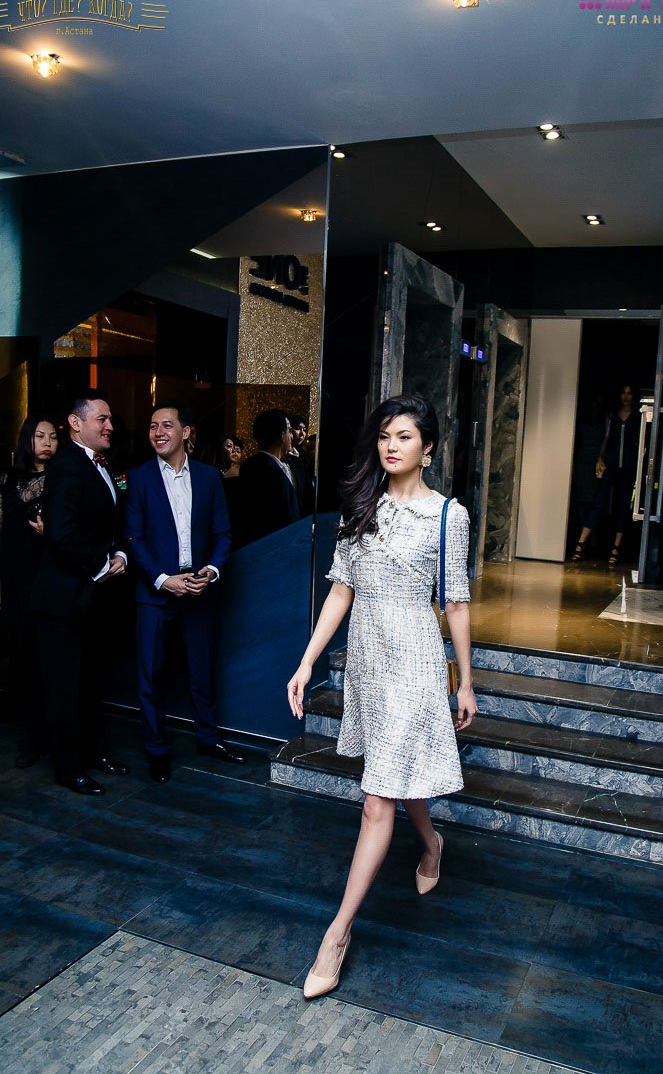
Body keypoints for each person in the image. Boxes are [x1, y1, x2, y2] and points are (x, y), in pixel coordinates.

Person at [287, 394, 477, 1000]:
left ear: (428, 447)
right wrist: (307, 661)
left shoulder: (448, 516)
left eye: (404, 437)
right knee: (394, 775)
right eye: (384, 436)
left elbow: (455, 601)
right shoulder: (361, 505)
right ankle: (431, 842)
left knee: (376, 800)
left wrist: (466, 680)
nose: (391, 446)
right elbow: (341, 590)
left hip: (416, 661)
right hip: (369, 662)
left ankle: (337, 934)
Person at [125, 403, 244, 783]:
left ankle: (208, 738)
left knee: (201, 672)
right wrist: (162, 579)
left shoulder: (209, 477)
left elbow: (223, 533)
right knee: (151, 677)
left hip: (198, 589)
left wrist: (211, 570)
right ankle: (157, 750)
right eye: (152, 426)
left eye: (166, 425)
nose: (158, 432)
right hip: (155, 592)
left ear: (186, 431)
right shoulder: (139, 478)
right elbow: (133, 538)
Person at [31, 390, 130, 795]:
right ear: (75, 423)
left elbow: (112, 522)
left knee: (92, 683)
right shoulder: (65, 466)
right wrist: (102, 565)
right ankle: (67, 767)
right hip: (64, 601)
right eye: (101, 419)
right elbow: (61, 533)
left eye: (110, 419)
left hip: (94, 601)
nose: (109, 426)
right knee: (65, 689)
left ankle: (95, 753)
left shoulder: (103, 464)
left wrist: (120, 553)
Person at [0, 416, 59, 766]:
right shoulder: (7, 479)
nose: (47, 442)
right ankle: (30, 736)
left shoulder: (61, 480)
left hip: (47, 579)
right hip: (14, 579)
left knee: (49, 659)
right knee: (21, 657)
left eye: (53, 437)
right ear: (26, 440)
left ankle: (53, 734)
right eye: (39, 436)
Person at [571, 382, 640, 567]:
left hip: (627, 464)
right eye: (623, 393)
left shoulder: (637, 416)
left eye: (629, 393)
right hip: (611, 462)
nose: (626, 396)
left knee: (623, 505)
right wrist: (600, 458)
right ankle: (581, 543)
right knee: (598, 501)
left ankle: (616, 547)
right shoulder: (613, 415)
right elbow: (606, 438)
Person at [237, 408, 300, 543]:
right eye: (289, 431)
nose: (292, 436)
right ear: (282, 436)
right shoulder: (270, 471)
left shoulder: (251, 464)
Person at [286, 413, 315, 517]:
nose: (302, 434)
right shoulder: (283, 454)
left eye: (305, 429)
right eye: (298, 428)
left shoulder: (303, 454)